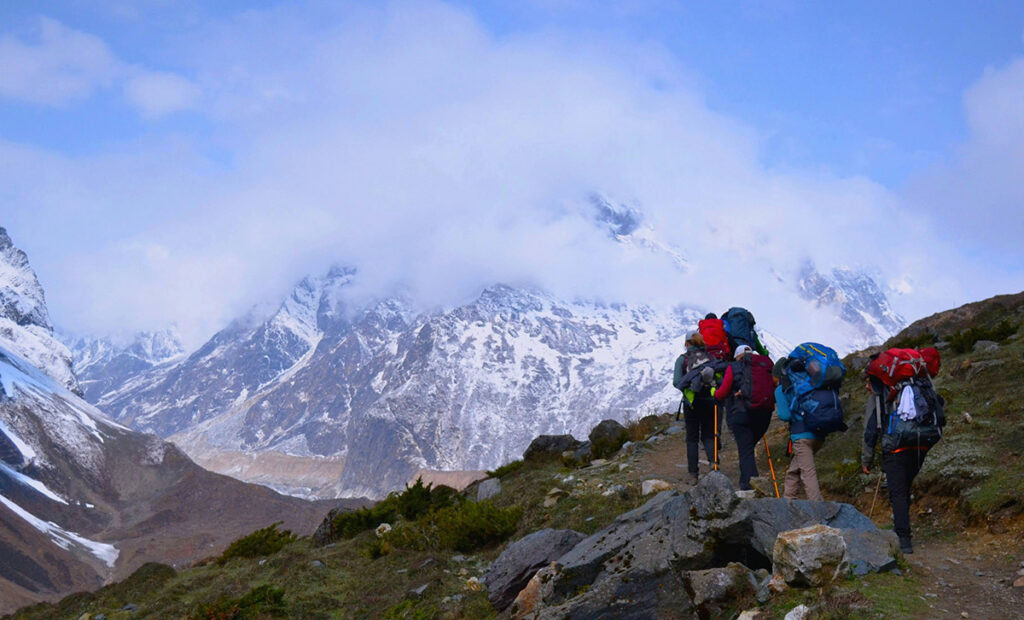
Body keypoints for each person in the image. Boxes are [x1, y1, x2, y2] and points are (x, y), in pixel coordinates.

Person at [860, 374, 938, 554]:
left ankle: (903, 539)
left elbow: (870, 430)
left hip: (895, 449)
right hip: (919, 445)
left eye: (867, 381)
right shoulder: (914, 388)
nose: (866, 386)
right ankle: (902, 528)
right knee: (905, 488)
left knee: (898, 493)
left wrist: (866, 459)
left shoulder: (877, 398)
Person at [715, 344, 773, 493]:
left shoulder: (733, 368)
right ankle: (745, 481)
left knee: (745, 450)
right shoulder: (763, 366)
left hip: (741, 415)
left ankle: (751, 488)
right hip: (764, 414)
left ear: (737, 356)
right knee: (748, 448)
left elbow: (722, 393)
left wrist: (713, 391)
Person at [773, 359, 825, 501]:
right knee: (793, 470)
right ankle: (788, 502)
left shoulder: (781, 389)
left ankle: (819, 511)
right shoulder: (808, 383)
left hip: (801, 435)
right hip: (819, 433)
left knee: (807, 473)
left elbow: (785, 415)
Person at [673, 333, 716, 485]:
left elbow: (677, 381)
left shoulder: (683, 359)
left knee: (692, 438)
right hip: (709, 401)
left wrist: (689, 389)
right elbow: (718, 377)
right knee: (709, 435)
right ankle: (713, 465)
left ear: (687, 343)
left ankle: (693, 474)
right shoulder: (710, 357)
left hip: (691, 403)